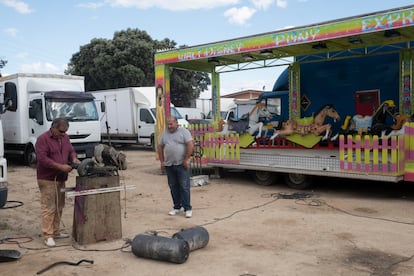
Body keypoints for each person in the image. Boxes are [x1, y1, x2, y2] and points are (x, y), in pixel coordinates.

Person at [36, 118, 80, 247]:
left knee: (59, 206)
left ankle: (55, 231)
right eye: (61, 131)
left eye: (65, 132)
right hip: (47, 179)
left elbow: (71, 150)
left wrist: (74, 158)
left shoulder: (65, 138)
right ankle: (47, 235)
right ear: (53, 128)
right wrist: (61, 167)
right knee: (49, 207)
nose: (63, 134)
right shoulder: (42, 139)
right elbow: (43, 159)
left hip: (61, 178)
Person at [158, 116, 194, 218]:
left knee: (184, 186)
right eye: (168, 124)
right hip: (169, 164)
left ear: (176, 123)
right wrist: (162, 161)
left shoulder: (184, 132)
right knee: (173, 186)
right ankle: (176, 207)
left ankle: (188, 208)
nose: (169, 126)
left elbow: (190, 145)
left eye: (171, 124)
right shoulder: (164, 133)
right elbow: (160, 147)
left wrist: (186, 159)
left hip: (182, 164)